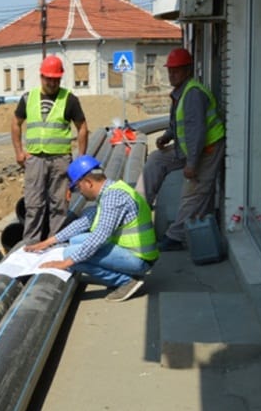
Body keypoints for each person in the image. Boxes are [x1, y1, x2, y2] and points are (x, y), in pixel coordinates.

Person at [24, 155, 159, 302]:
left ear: (88, 183)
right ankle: (124, 275)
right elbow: (83, 223)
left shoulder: (113, 198)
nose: (79, 192)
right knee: (76, 240)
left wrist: (65, 263)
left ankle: (124, 281)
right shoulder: (110, 191)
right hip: (131, 251)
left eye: (78, 187)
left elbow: (98, 237)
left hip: (139, 259)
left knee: (72, 254)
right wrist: (47, 242)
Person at [140, 48, 225, 251]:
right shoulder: (181, 92)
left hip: (207, 149)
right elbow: (179, 123)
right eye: (170, 71)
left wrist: (192, 165)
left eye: (176, 71)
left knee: (192, 192)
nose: (171, 75)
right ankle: (140, 212)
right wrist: (167, 136)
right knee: (156, 160)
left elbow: (197, 132)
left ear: (187, 70)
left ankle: (176, 237)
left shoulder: (193, 94)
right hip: (189, 149)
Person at [11, 55, 88, 244]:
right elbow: (15, 123)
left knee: (59, 205)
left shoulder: (69, 99)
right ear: (41, 77)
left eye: (56, 79)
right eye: (48, 78)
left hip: (60, 160)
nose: (52, 82)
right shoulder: (29, 98)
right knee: (34, 203)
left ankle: (55, 243)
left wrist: (80, 159)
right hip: (35, 158)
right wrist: (19, 152)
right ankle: (31, 244)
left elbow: (83, 127)